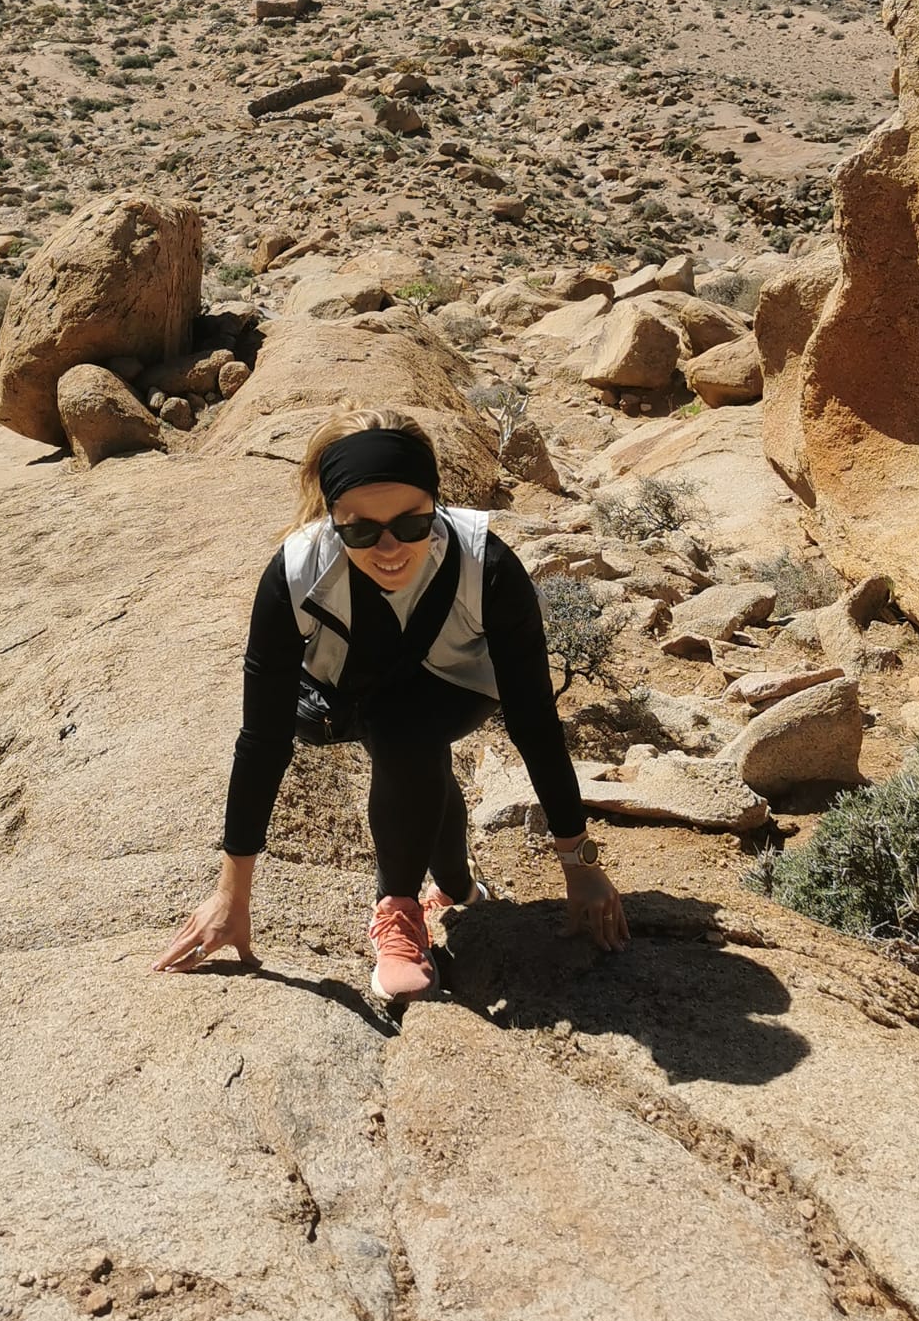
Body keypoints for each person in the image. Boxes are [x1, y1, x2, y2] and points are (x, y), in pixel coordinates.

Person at [156, 409, 628, 1002]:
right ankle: (431, 900)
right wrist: (232, 894)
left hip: (452, 690)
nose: (389, 547)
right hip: (335, 696)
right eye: (360, 530)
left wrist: (578, 862)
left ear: (437, 503)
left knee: (407, 730)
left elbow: (533, 717)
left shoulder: (488, 566)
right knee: (407, 741)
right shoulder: (297, 571)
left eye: (411, 523)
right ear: (333, 519)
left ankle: (425, 901)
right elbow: (263, 739)